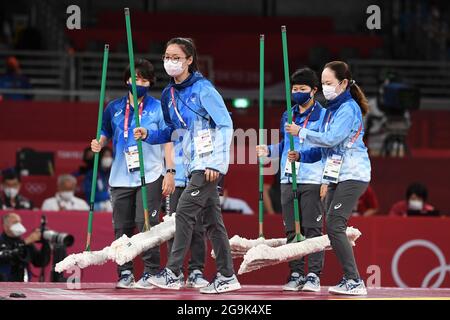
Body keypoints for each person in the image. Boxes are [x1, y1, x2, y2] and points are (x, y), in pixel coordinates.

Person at [133, 37, 240, 294]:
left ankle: (172, 272)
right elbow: (173, 131)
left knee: (183, 212)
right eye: (167, 57)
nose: (170, 62)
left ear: (189, 60)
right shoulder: (169, 93)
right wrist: (149, 134)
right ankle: (227, 276)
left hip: (209, 164)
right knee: (214, 223)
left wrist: (215, 162)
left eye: (176, 57)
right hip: (193, 163)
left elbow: (225, 124)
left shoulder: (204, 89)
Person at [285, 61, 371, 296]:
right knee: (332, 226)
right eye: (322, 83)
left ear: (343, 83)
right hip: (335, 174)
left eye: (329, 83)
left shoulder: (348, 109)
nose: (325, 88)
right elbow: (323, 149)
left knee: (334, 224)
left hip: (353, 173)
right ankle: (349, 278)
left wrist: (301, 132)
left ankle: (354, 280)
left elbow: (331, 139)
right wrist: (300, 155)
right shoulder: (331, 110)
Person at [90, 58, 175, 289]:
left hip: (151, 175)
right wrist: (99, 143)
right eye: (135, 78)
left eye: (144, 79)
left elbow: (168, 140)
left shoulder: (158, 107)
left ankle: (151, 272)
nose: (139, 82)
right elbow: (104, 131)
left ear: (150, 83)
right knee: (122, 227)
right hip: (119, 177)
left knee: (146, 222)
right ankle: (125, 272)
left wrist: (170, 171)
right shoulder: (113, 108)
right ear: (127, 80)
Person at [257, 67, 326, 292]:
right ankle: (296, 273)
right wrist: (267, 150)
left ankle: (314, 275)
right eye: (294, 89)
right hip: (288, 179)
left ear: (314, 90)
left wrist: (327, 180)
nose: (297, 92)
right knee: (291, 230)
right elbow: (284, 146)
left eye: (302, 89)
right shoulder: (288, 114)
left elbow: (328, 148)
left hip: (313, 178)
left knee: (313, 229)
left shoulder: (324, 116)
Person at [165, 138, 209, 288]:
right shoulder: (171, 117)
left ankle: (196, 271)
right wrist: (167, 173)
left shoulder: (198, 118)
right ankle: (174, 272)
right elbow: (165, 144)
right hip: (175, 181)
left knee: (198, 228)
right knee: (173, 229)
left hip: (195, 179)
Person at [0, 212, 50, 282]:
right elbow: (5, 255)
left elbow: (40, 262)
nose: (19, 225)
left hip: (22, 285)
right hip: (4, 284)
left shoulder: (26, 243)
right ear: (5, 227)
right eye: (15, 222)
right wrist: (25, 242)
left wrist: (45, 244)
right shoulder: (2, 241)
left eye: (20, 222)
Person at [83, 147, 113, 212]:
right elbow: (89, 195)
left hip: (111, 204)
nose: (108, 159)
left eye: (109, 156)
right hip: (96, 204)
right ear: (100, 157)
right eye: (106, 156)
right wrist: (108, 195)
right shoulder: (92, 174)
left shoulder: (114, 173)